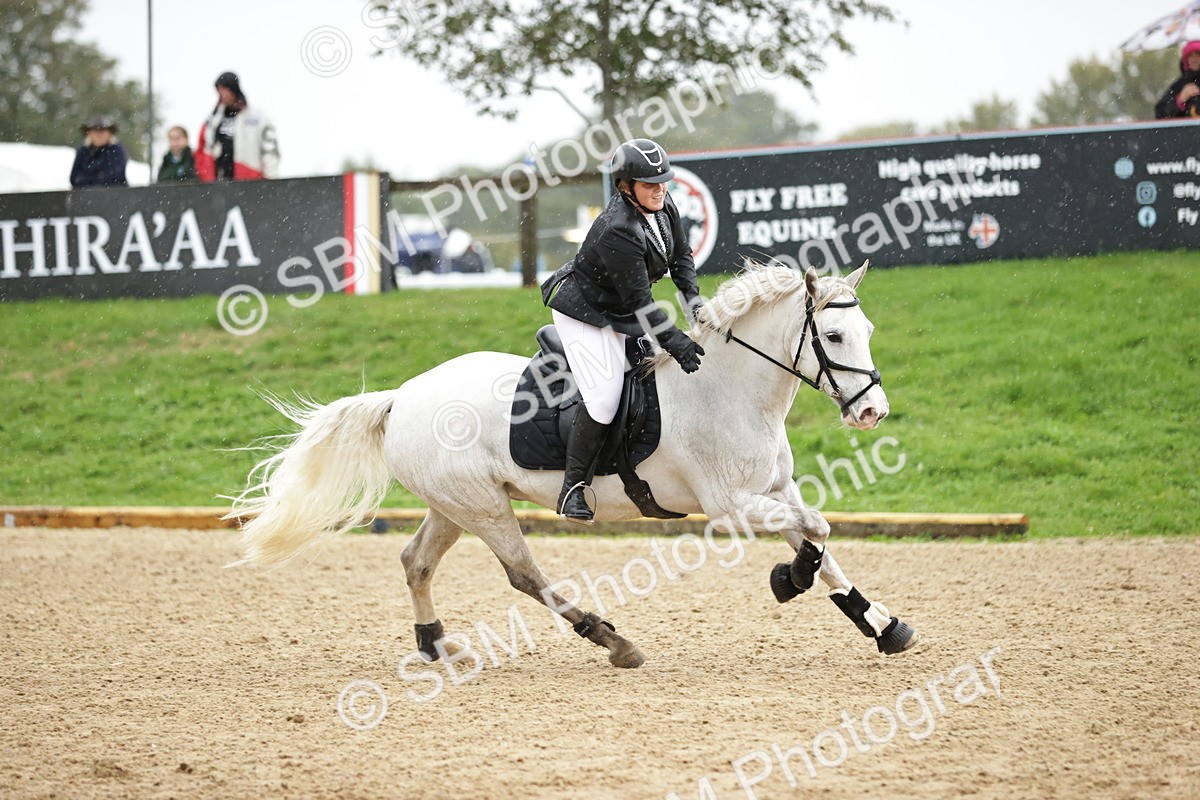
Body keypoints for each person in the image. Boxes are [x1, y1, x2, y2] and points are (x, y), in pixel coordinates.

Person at [539, 138, 704, 524]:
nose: (659, 188)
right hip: (586, 313)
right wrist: (677, 342)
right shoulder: (618, 228)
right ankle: (573, 488)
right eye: (649, 184)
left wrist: (694, 305)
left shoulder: (662, 206)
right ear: (626, 187)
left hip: (620, 310)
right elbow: (640, 303)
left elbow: (681, 257)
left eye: (663, 181)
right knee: (604, 397)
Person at [197, 71, 279, 180]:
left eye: (225, 89)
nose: (222, 94)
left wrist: (271, 179)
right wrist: (206, 176)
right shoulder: (212, 119)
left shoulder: (258, 118)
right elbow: (203, 148)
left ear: (233, 89)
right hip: (218, 182)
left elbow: (270, 150)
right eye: (219, 90)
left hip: (249, 179)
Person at [69, 116, 128, 188]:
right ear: (89, 133)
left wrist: (89, 180)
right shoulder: (82, 151)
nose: (99, 134)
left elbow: (116, 178)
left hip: (113, 196)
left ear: (109, 134)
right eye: (95, 130)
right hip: (86, 196)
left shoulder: (117, 150)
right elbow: (74, 179)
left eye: (102, 130)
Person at [1155, 40, 1200, 119]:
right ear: (1186, 60)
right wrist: (1180, 100)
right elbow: (1160, 114)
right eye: (1191, 55)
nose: (1194, 59)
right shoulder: (1178, 86)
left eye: (1198, 55)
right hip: (1186, 131)